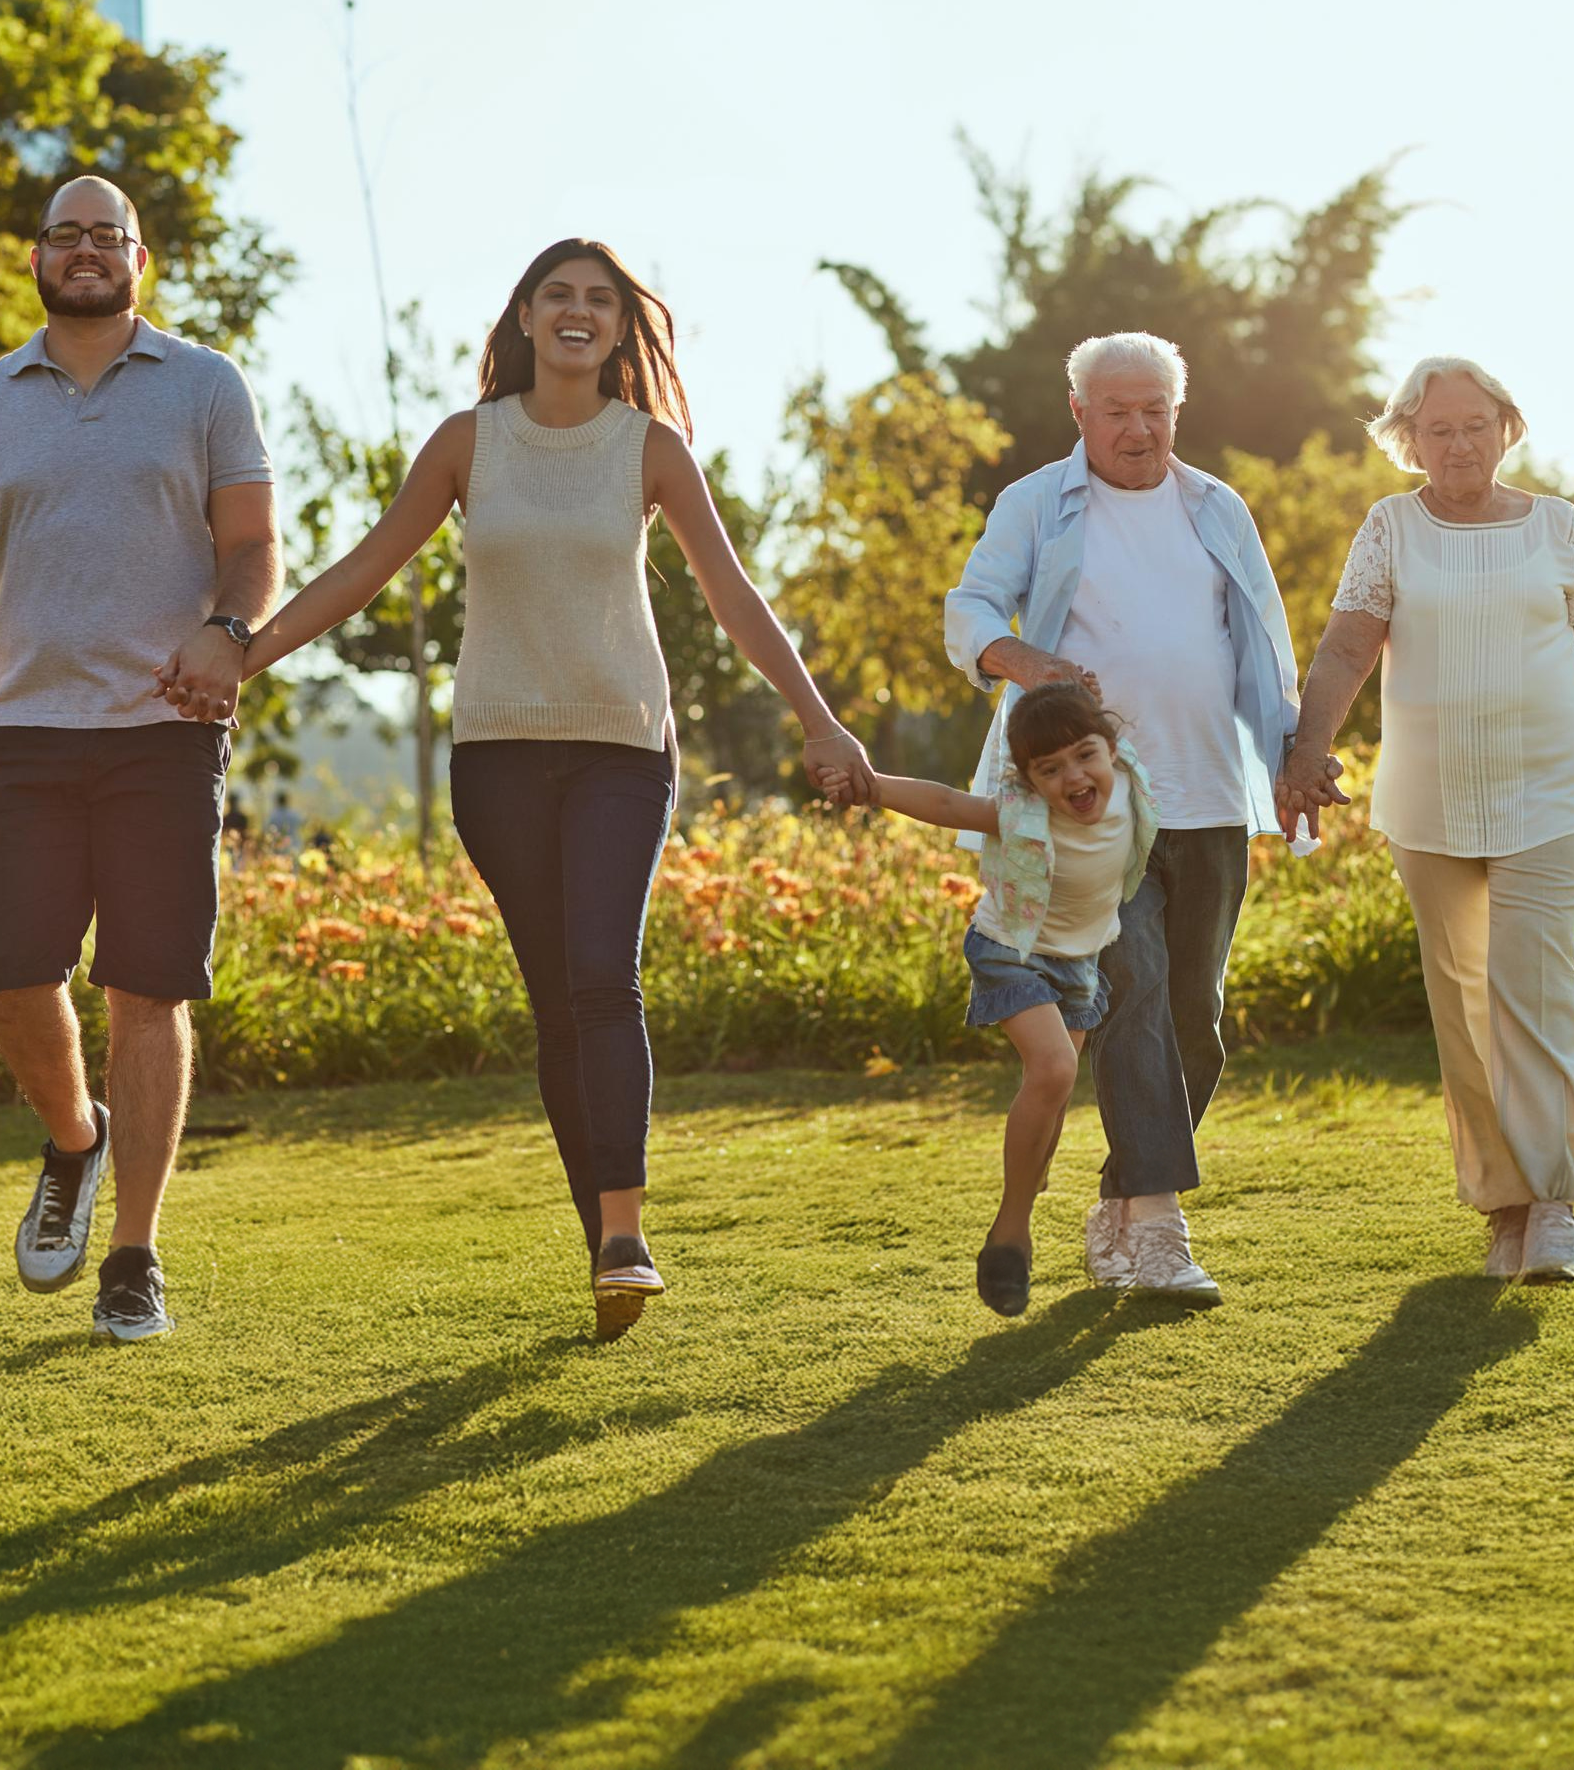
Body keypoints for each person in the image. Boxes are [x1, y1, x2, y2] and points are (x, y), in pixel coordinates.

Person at [185, 238, 870, 1336]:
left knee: (603, 974)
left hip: (620, 748)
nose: (579, 311)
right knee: (557, 998)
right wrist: (242, 655)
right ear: (523, 315)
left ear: (619, 328)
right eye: (559, 293)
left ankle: (627, 1232)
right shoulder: (469, 443)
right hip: (498, 756)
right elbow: (368, 565)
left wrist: (820, 717)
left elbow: (735, 597)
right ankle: (602, 1238)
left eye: (600, 299)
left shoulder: (653, 451)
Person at [0, 175, 279, 1344]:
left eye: (108, 234)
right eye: (66, 233)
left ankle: (133, 1254)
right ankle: (74, 1140)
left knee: (149, 987)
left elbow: (250, 547)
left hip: (165, 730)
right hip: (25, 731)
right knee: (12, 975)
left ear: (142, 258)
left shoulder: (204, 385)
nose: (86, 250)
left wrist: (228, 633)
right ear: (36, 256)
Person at [943, 333, 1342, 1304]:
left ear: (1178, 408)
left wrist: (1293, 752)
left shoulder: (1216, 507)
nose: (1139, 426)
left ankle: (1122, 1196)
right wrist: (1020, 660)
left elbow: (1264, 646)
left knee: (1195, 1021)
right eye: (1118, 409)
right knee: (1132, 1000)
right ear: (1079, 412)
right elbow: (971, 606)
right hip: (1093, 814)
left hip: (1210, 794)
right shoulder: (1038, 502)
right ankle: (1161, 1228)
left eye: (1156, 408)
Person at [1277, 356, 1574, 1283]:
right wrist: (1303, 749)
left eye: (1476, 425)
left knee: (1535, 993)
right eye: (1439, 429)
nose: (1460, 444)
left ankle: (1555, 1204)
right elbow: (1344, 648)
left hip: (1551, 791)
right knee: (1462, 1003)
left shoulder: (1556, 526)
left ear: (1507, 428)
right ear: (1410, 440)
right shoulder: (1390, 528)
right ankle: (1503, 1207)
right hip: (1429, 800)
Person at [839, 682, 1160, 1316]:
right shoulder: (1021, 811)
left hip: (1082, 962)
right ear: (1028, 779)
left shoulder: (1130, 784)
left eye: (1084, 755)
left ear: (1112, 751)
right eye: (1049, 769)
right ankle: (1010, 1235)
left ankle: (1028, 1188)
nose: (1073, 776)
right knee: (1055, 1069)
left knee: (1052, 1101)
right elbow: (945, 802)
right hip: (1009, 949)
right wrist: (870, 785)